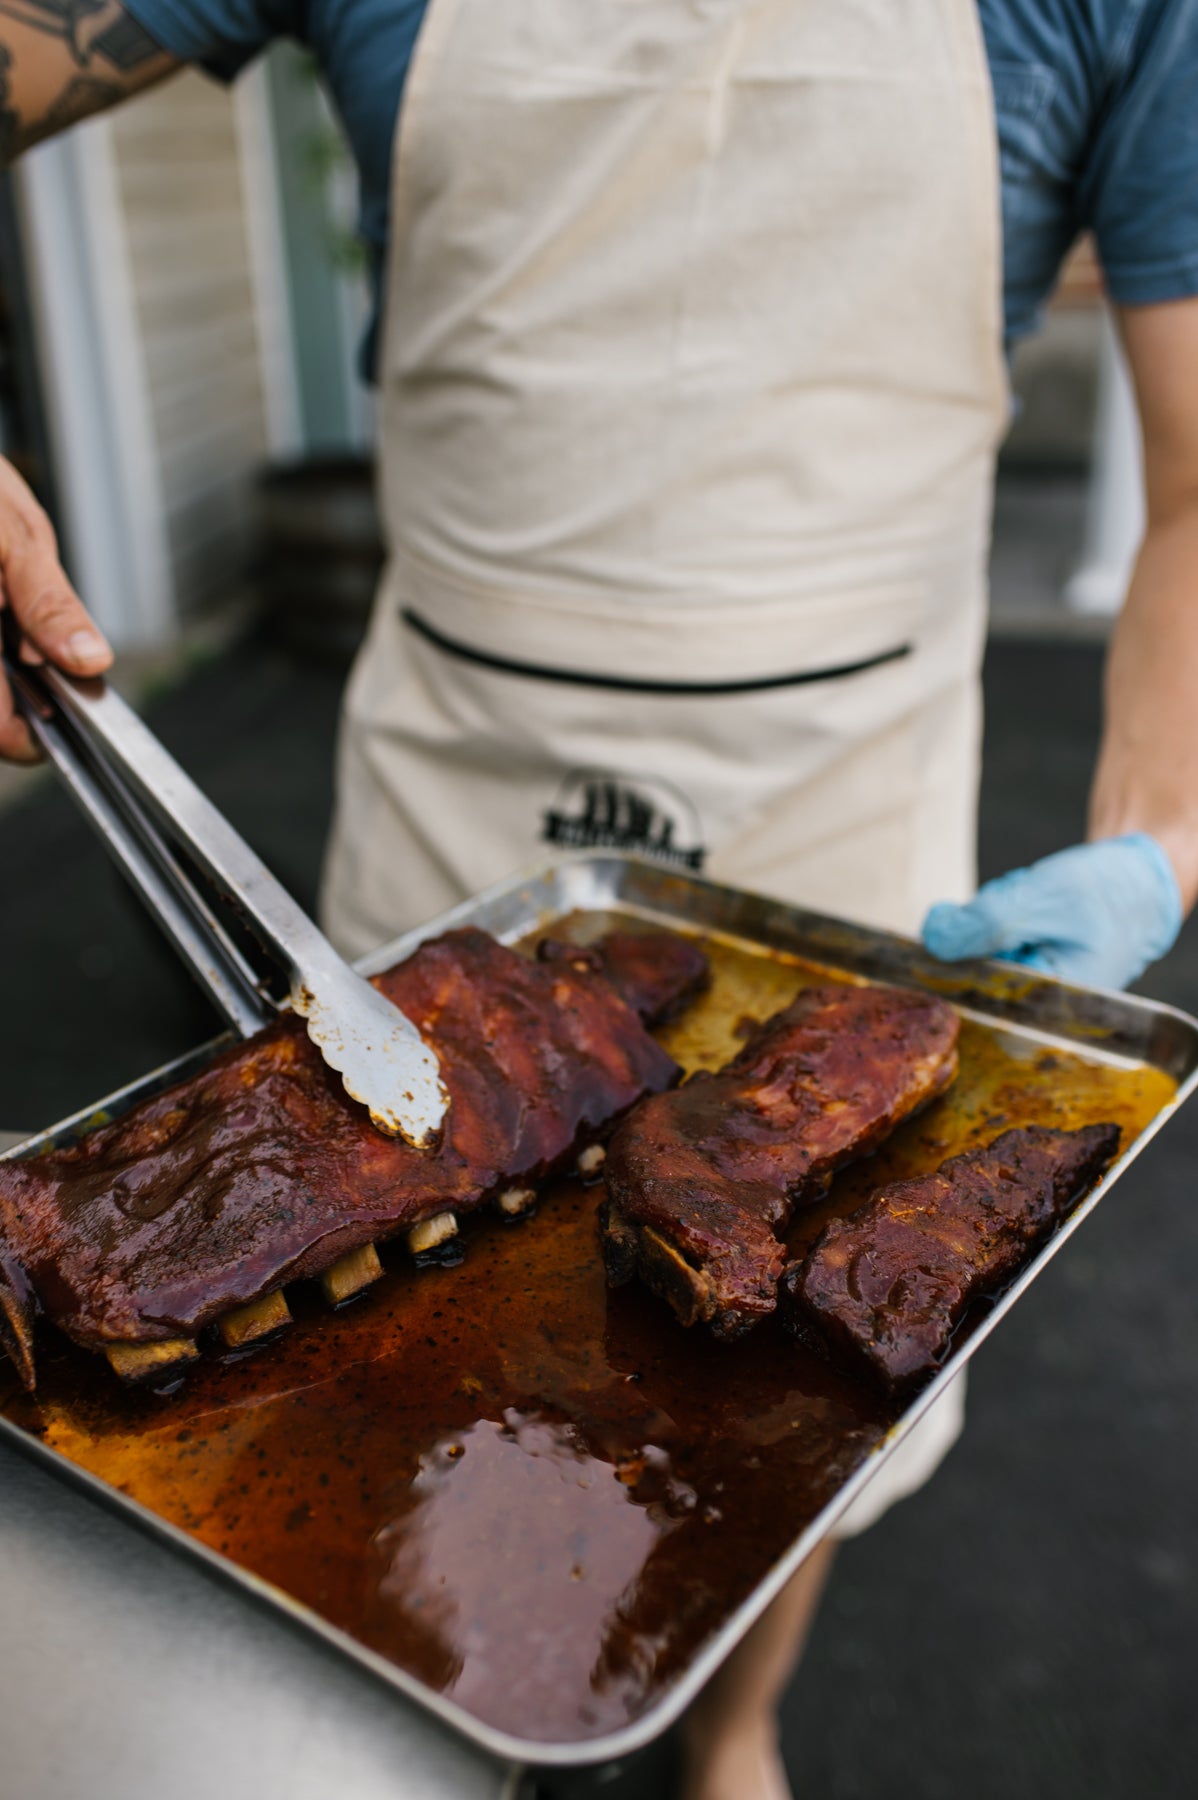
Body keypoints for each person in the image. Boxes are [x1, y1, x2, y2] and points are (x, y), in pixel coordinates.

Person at [0, 4, 1195, 1796]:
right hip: (458, 772)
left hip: (843, 774)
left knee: (792, 1428)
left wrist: (1161, 838)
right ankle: (420, 1686)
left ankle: (729, 1730)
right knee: (379, 1358)